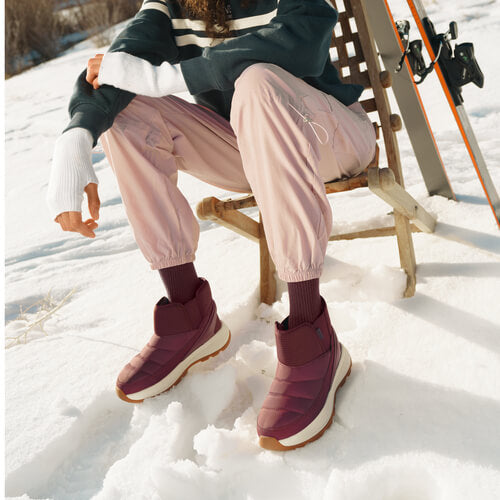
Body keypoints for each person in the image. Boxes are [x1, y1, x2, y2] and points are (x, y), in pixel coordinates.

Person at [46, 0, 377, 451]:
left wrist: (170, 78)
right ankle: (188, 314)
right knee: (126, 107)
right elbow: (120, 63)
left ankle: (312, 334)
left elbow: (301, 43)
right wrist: (77, 135)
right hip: (246, 143)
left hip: (331, 138)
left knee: (257, 81)